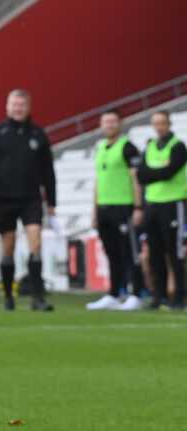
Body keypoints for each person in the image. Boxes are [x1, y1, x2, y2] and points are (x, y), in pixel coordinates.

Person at [0, 89, 56, 312]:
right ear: (8, 107)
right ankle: (9, 296)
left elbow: (48, 170)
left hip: (31, 198)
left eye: (22, 105)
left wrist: (51, 200)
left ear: (28, 107)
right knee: (8, 246)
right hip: (4, 199)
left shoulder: (38, 135)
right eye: (14, 105)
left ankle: (37, 298)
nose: (18, 108)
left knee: (35, 241)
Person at [86, 110, 145, 311]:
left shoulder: (127, 147)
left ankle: (135, 293)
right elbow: (98, 181)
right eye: (105, 122)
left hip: (123, 206)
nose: (109, 125)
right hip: (104, 207)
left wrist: (138, 207)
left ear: (121, 123)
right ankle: (113, 293)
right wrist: (94, 211)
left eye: (113, 121)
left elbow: (136, 179)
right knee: (111, 253)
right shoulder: (101, 147)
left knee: (130, 253)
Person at [135, 110, 186, 310]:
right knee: (155, 253)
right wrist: (158, 172)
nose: (159, 127)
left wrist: (152, 172)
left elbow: (170, 171)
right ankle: (159, 296)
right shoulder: (149, 147)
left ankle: (180, 297)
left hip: (172, 204)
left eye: (162, 123)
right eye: (155, 123)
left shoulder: (178, 146)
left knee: (174, 253)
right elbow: (141, 175)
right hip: (152, 205)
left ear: (169, 124)